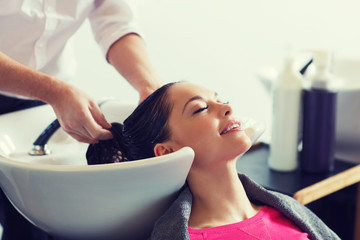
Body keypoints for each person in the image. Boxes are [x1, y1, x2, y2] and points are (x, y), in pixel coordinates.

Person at [87, 82, 340, 240]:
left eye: (220, 100)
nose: (227, 108)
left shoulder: (287, 211)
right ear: (166, 151)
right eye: (199, 109)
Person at [0, 1, 161, 239]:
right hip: (46, 90)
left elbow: (116, 23)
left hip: (40, 98)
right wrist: (53, 91)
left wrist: (151, 89)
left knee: (32, 226)